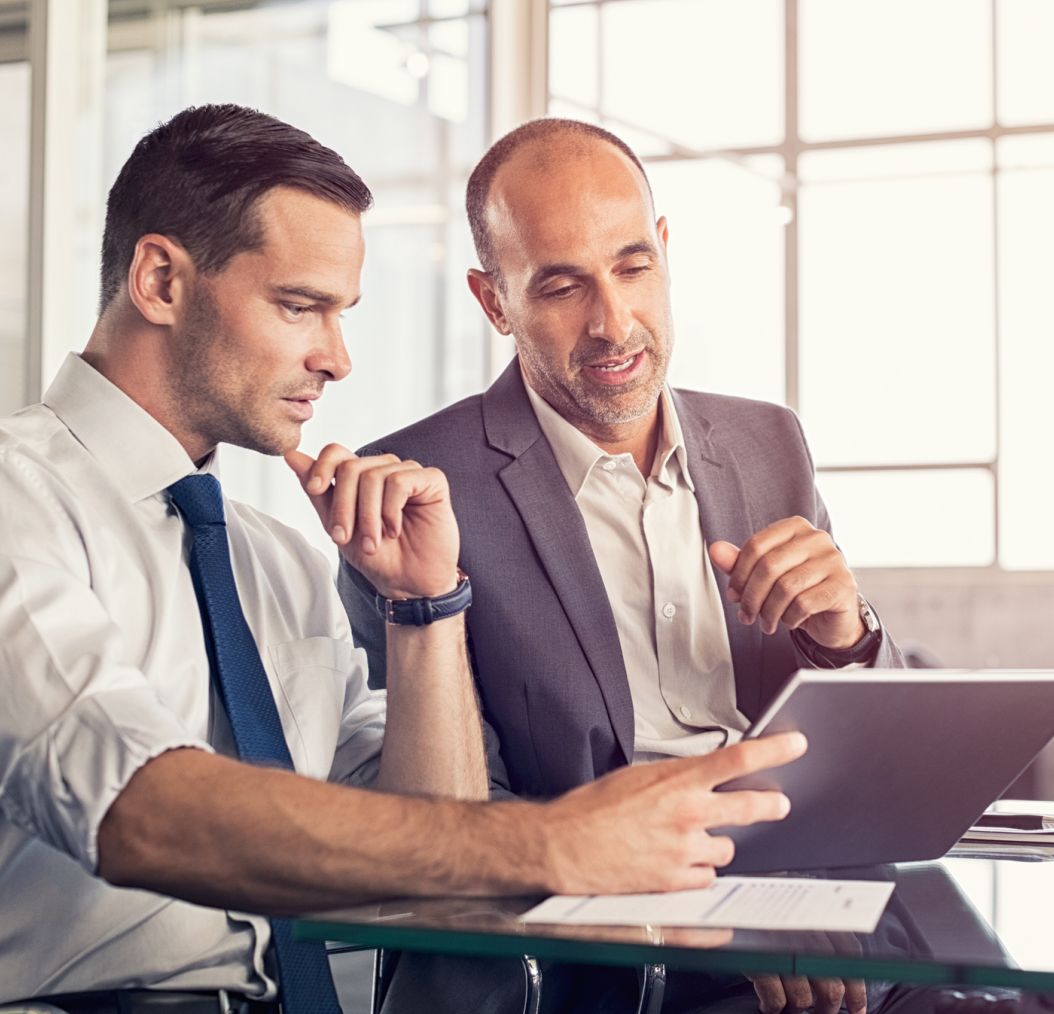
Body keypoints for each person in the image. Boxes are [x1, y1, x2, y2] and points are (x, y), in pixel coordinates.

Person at [0, 104, 803, 1014]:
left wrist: (425, 610)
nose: (339, 358)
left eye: (342, 313)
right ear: (161, 282)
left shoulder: (274, 563)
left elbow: (436, 862)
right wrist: (558, 842)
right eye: (302, 307)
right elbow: (140, 811)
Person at [338, 118, 918, 1014]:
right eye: (562, 286)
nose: (613, 323)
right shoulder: (419, 493)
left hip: (810, 912)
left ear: (666, 253)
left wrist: (849, 634)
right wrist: (712, 908)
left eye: (632, 267)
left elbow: (878, 759)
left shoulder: (769, 442)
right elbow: (446, 832)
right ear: (494, 302)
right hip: (601, 962)